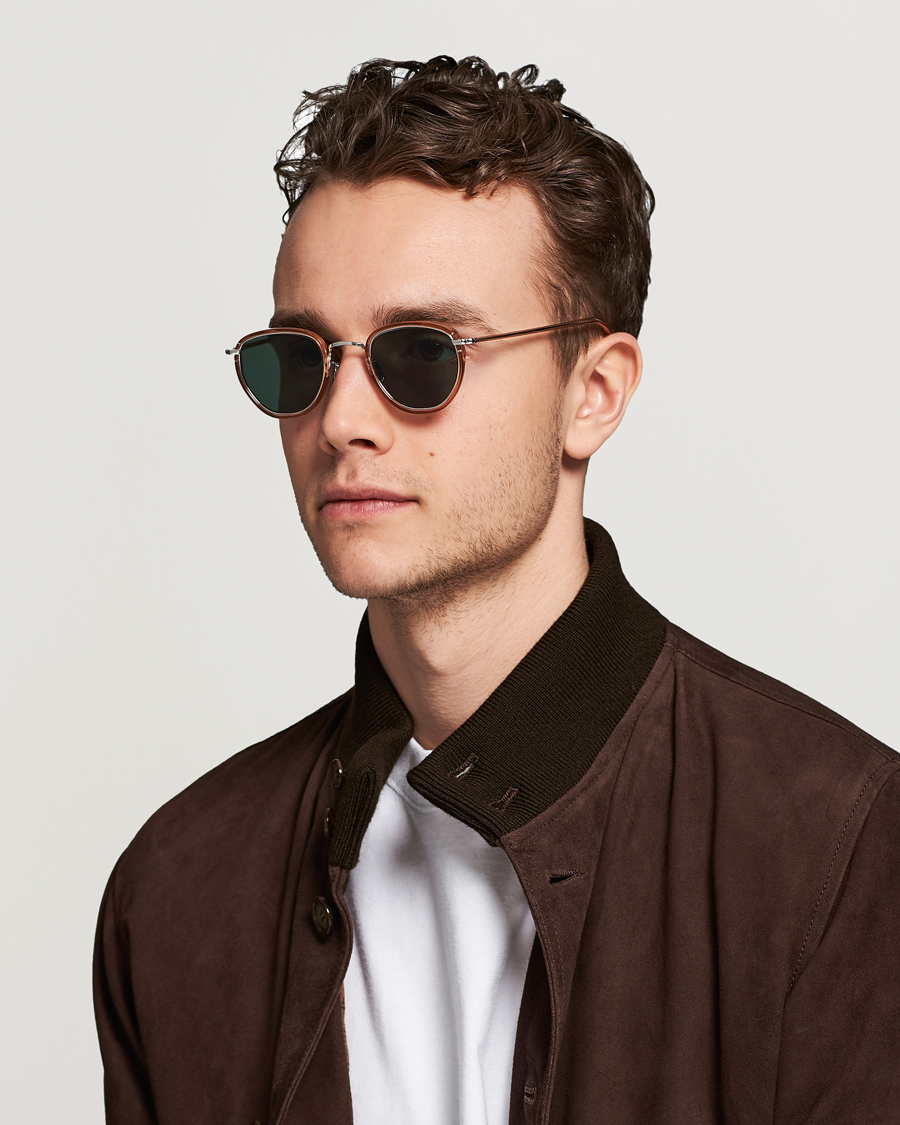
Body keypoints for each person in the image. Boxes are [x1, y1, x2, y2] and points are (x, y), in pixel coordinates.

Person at [93, 56, 900, 1125]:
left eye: (421, 356)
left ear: (593, 392)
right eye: (300, 358)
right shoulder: (179, 890)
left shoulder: (833, 846)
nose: (341, 422)